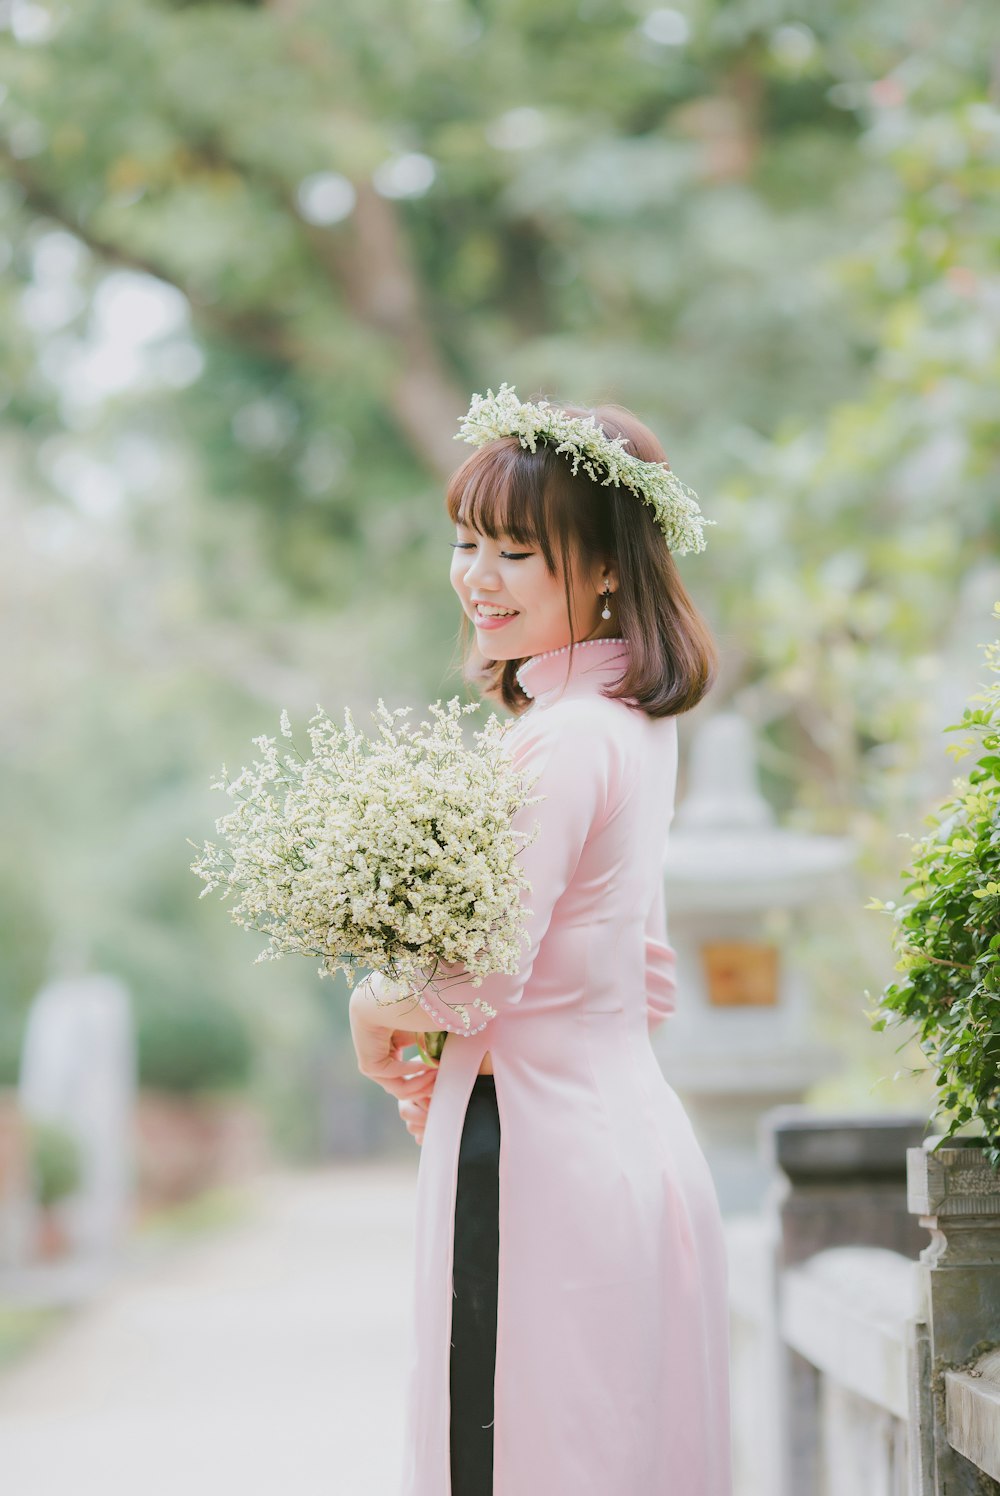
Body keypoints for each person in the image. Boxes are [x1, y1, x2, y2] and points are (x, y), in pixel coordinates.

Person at [349, 384, 732, 1495]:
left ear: (606, 563)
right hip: (622, 1138)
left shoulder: (561, 740)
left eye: (516, 550)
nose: (477, 575)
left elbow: (476, 979)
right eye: (467, 541)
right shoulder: (631, 726)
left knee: (517, 1455)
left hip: (531, 1159)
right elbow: (641, 974)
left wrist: (376, 1004)